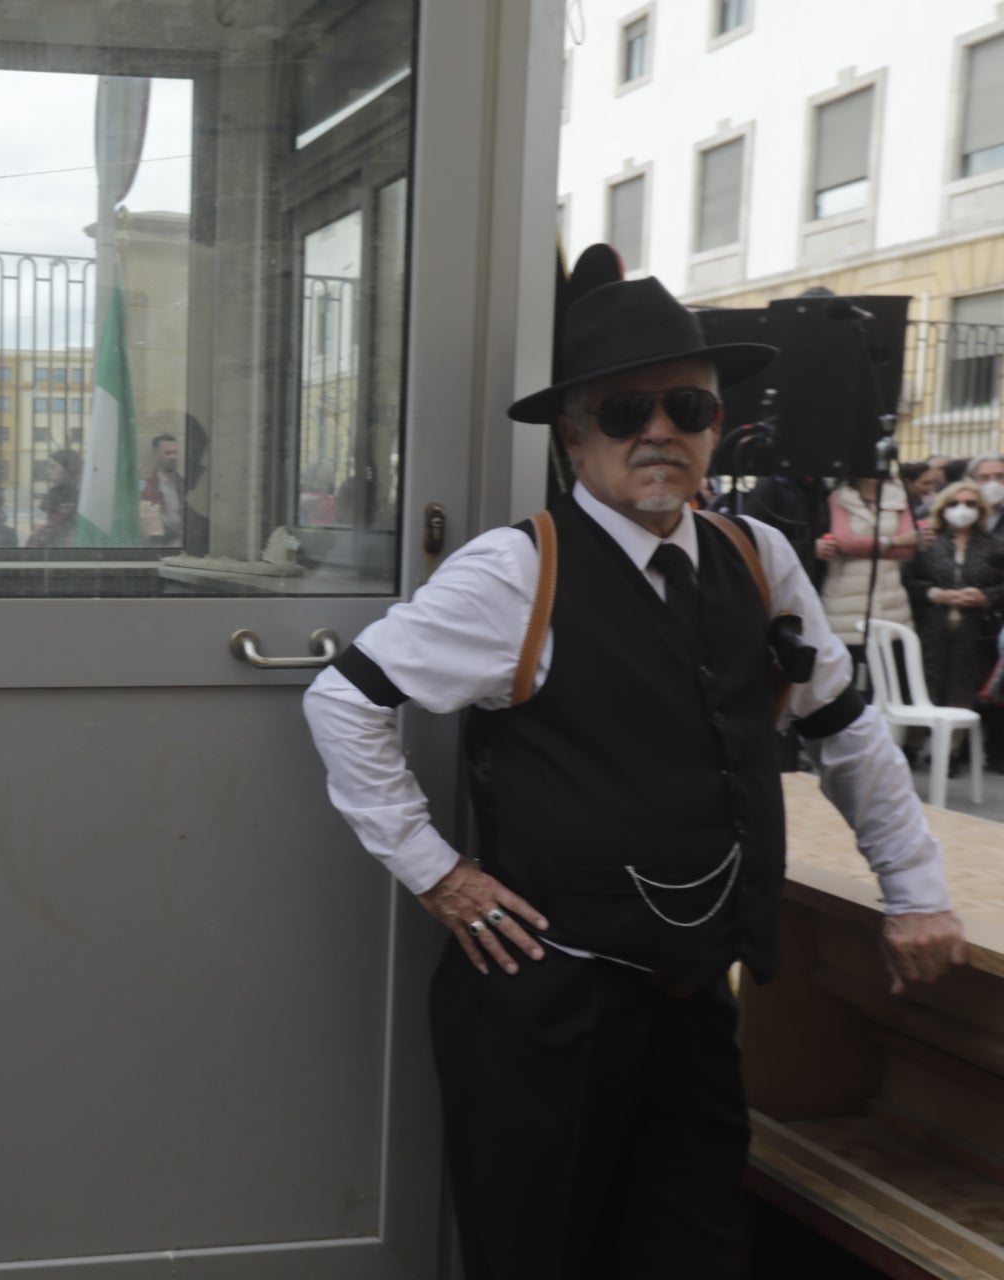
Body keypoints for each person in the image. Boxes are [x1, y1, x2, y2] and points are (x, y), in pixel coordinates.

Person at [304, 275, 964, 1280]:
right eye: (625, 410)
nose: (659, 431)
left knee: (692, 1245)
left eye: (686, 407)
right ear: (575, 438)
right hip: (544, 1005)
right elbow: (343, 699)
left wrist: (915, 888)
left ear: (715, 427)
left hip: (695, 995)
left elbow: (844, 727)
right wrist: (437, 872)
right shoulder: (516, 571)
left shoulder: (760, 555)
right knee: (538, 1255)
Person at [903, 480, 1004, 774]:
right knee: (924, 685)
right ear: (943, 508)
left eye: (971, 504)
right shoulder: (929, 542)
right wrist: (937, 594)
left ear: (981, 510)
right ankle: (910, 744)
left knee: (962, 689)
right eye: (955, 503)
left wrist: (985, 597)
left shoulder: (995, 546)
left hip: (974, 630)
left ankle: (949, 752)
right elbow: (909, 581)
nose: (963, 510)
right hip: (931, 626)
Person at [817, 472, 924, 659]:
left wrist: (865, 546)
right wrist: (893, 541)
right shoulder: (838, 497)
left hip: (892, 603)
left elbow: (908, 548)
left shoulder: (899, 497)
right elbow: (845, 542)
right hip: (845, 604)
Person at [140, 432, 183, 544]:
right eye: (168, 453)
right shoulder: (148, 488)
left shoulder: (185, 486)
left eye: (175, 453)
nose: (173, 457)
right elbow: (152, 530)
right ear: (155, 455)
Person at [970, 453, 1004, 535]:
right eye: (984, 478)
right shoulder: (965, 507)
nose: (993, 483)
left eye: (1000, 476)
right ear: (974, 481)